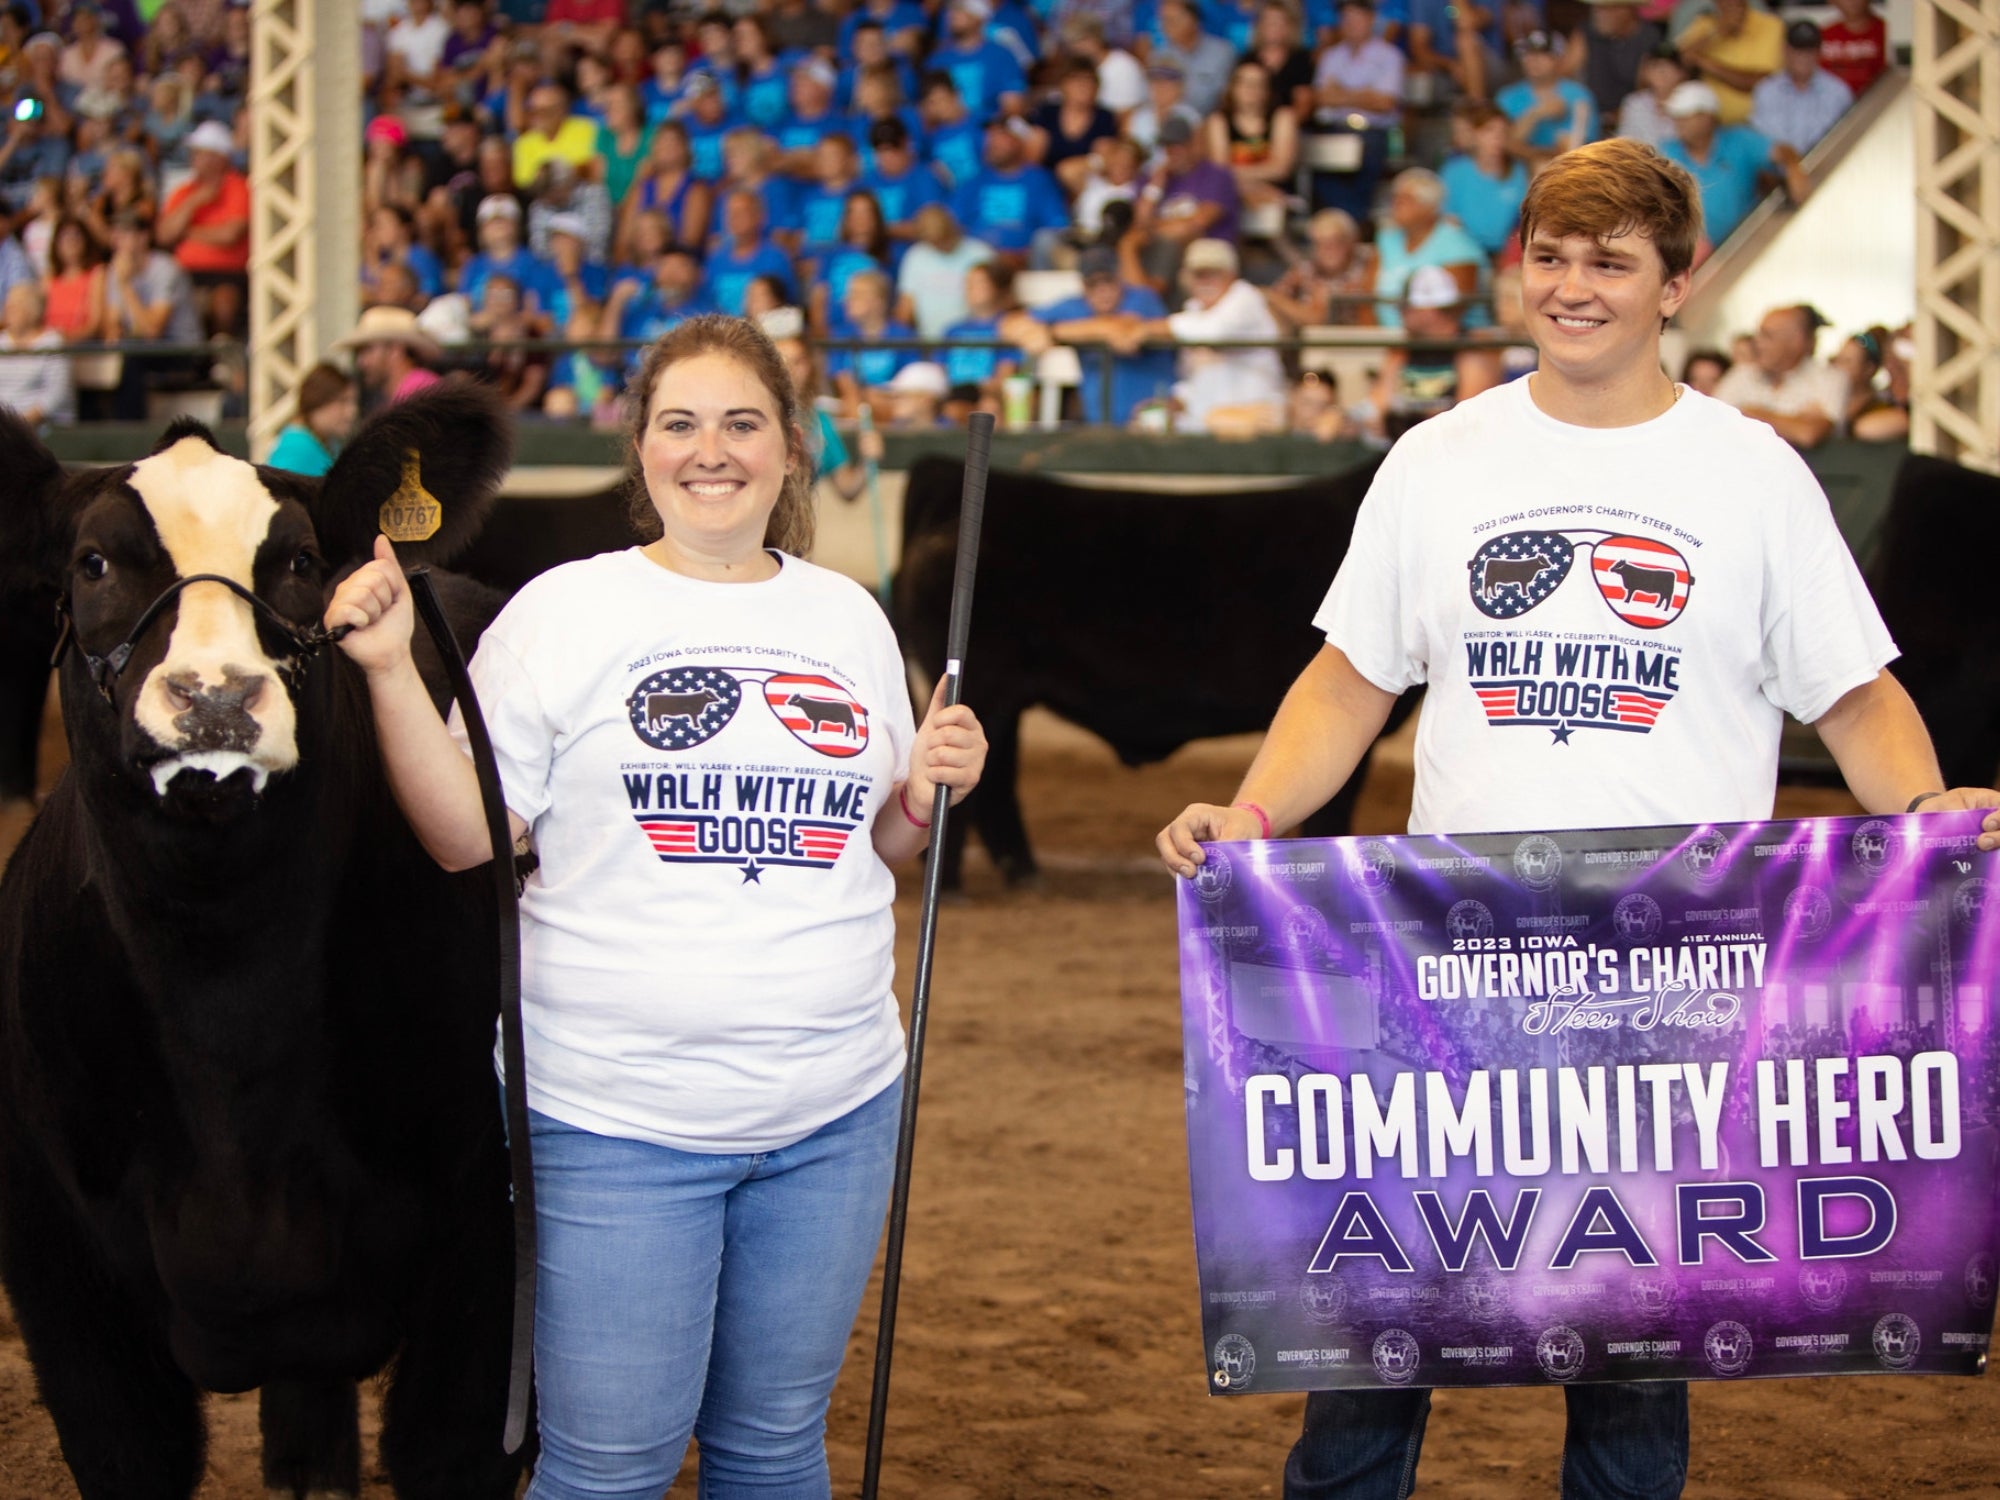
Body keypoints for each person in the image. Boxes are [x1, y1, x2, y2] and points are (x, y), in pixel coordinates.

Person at [1156, 135, 2000, 1500]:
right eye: (1551, 256)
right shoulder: (1439, 459)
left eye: (1611, 261)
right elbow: (1348, 681)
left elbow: (1854, 699)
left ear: (1679, 283)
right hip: (1446, 968)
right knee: (1383, 1329)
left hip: (1673, 985)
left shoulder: (1755, 474)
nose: (1574, 286)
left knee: (1636, 1356)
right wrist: (1253, 811)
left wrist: (1928, 810)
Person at [322, 314, 986, 1500]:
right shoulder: (562, 614)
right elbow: (465, 836)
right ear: (640, 451)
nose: (710, 450)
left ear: (791, 446)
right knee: (609, 1464)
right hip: (616, 1116)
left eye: (742, 423)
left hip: (834, 1108)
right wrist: (384, 672)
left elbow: (876, 849)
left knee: (776, 1450)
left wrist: (926, 794)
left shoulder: (848, 618)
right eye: (679, 424)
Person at [1712, 301, 1848, 447]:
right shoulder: (1741, 375)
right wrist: (1795, 420)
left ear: (1796, 341)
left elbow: (1808, 434)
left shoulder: (1830, 379)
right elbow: (1713, 421)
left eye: (1767, 336)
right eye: (1758, 334)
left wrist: (1747, 411)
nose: (1757, 343)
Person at [1749, 20, 1853, 160]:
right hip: (1777, 175)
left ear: (1819, 52)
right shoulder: (1766, 91)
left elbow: (1846, 144)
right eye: (1798, 50)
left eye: (1809, 50)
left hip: (1827, 172)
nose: (1804, 57)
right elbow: (1761, 145)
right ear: (1785, 50)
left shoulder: (1839, 92)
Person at [1673, 0, 1782, 126]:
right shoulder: (1704, 24)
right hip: (1711, 128)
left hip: (1758, 125)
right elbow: (1677, 64)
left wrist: (1704, 62)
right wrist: (1715, 33)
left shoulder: (1771, 25)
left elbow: (1763, 82)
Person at [336, 303, 442, 405]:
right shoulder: (411, 392)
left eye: (368, 350)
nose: (361, 362)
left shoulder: (419, 393)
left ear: (395, 350)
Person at [0, 280, 73, 425]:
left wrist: (21, 424)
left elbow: (56, 395)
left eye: (14, 308)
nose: (6, 312)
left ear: (31, 312)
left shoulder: (52, 343)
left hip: (41, 426)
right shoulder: (2, 342)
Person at [267, 360, 359, 475]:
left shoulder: (329, 443)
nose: (351, 412)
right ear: (317, 400)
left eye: (353, 402)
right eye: (342, 401)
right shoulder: (296, 448)